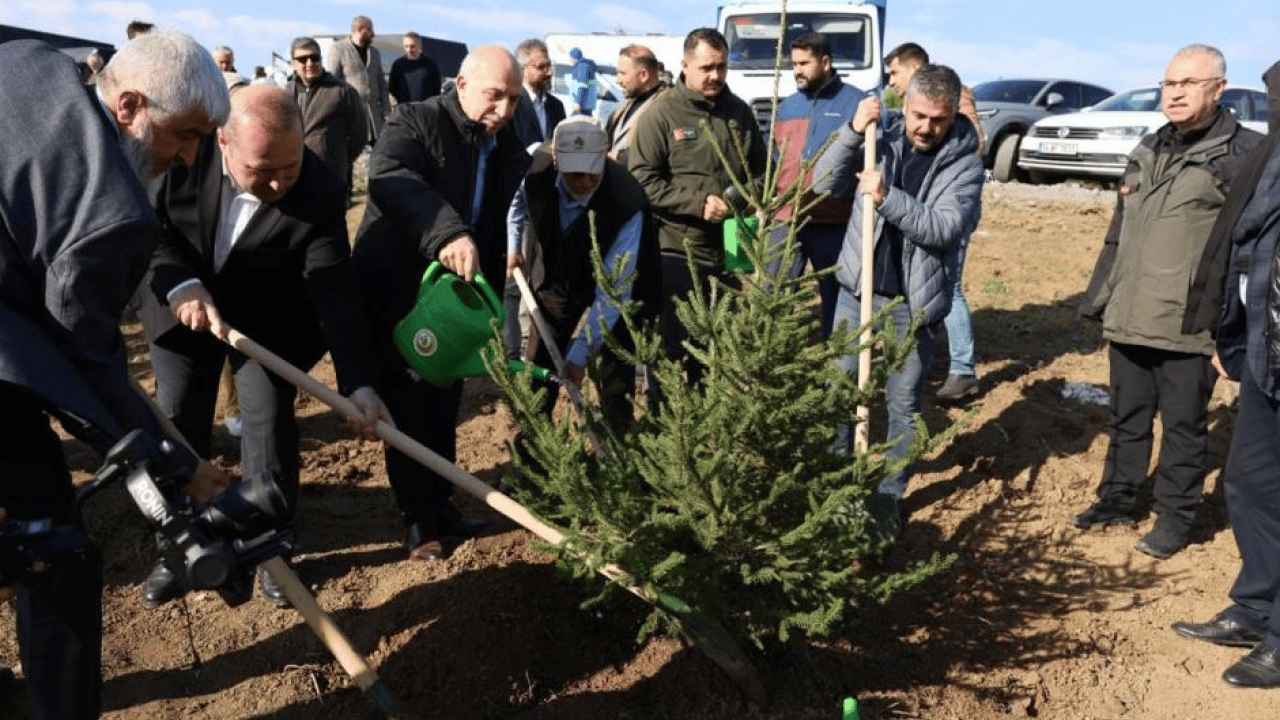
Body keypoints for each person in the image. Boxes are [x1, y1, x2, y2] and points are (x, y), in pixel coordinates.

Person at [0, 32, 230, 719]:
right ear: (129, 105)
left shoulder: (28, 61)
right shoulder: (113, 214)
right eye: (185, 135)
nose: (189, 156)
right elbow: (88, 372)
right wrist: (180, 468)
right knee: (52, 546)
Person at [136, 84, 390, 607]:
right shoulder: (180, 150)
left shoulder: (318, 189)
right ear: (223, 141)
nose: (277, 182)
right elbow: (147, 228)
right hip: (177, 301)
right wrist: (181, 283)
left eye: (289, 167)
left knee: (268, 421)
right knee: (178, 422)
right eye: (261, 169)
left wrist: (359, 383)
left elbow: (334, 291)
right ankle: (179, 549)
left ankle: (269, 546)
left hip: (268, 320)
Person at [1075, 44, 1263, 560]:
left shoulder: (1243, 157)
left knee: (1184, 428)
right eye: (1168, 83)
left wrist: (1234, 327)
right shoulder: (1151, 146)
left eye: (1188, 84)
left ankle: (1175, 519)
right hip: (1131, 314)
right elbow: (1121, 231)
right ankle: (1117, 498)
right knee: (1125, 418)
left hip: (1190, 322)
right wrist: (1100, 299)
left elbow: (1247, 249)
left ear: (1218, 89)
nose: (1174, 93)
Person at [352, 45, 528, 562]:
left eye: (514, 100)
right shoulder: (415, 121)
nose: (505, 110)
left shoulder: (502, 139)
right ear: (463, 84)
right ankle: (417, 521)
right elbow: (391, 179)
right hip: (404, 290)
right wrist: (445, 231)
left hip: (457, 297)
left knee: (444, 399)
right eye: (496, 96)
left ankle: (442, 504)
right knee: (409, 404)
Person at [814, 64, 984, 530]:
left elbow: (944, 227)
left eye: (938, 119)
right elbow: (822, 184)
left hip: (914, 303)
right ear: (903, 106)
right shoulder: (879, 138)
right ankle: (836, 483)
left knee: (903, 402)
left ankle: (888, 495)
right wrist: (852, 132)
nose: (926, 127)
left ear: (952, 116)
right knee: (837, 391)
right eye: (918, 115)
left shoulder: (965, 164)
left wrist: (888, 197)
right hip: (857, 290)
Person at [1173, 57, 1280, 689]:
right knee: (1249, 482)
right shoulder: (1270, 160)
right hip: (1268, 355)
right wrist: (1231, 333)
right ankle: (1257, 606)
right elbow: (1244, 248)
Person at [629, 27, 767, 388]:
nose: (715, 76)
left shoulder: (739, 113)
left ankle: (710, 427)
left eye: (721, 67)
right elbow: (642, 179)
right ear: (684, 66)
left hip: (735, 241)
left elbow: (761, 171)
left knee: (720, 347)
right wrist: (697, 203)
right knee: (672, 347)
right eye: (706, 67)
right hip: (678, 248)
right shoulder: (662, 116)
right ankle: (668, 428)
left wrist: (744, 199)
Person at [507, 116, 661, 428]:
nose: (587, 181)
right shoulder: (534, 171)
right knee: (541, 373)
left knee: (615, 373)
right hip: (559, 278)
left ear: (605, 156)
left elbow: (614, 292)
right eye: (576, 173)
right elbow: (516, 207)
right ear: (556, 158)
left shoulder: (627, 200)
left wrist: (579, 358)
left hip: (618, 283)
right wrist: (514, 247)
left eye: (594, 171)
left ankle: (617, 451)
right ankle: (532, 456)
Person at [884, 41, 987, 400]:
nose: (892, 81)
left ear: (914, 70)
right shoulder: (909, 108)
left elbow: (972, 149)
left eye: (895, 73)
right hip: (919, 213)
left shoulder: (957, 101)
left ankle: (962, 368)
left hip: (948, 215)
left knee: (949, 287)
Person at [769, 31, 864, 338]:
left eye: (804, 63)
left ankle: (834, 362)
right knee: (774, 293)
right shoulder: (788, 106)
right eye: (793, 63)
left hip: (832, 221)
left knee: (837, 298)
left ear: (825, 62)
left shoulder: (855, 103)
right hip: (786, 220)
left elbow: (869, 159)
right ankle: (773, 358)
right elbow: (775, 158)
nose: (797, 70)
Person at [287, 36, 368, 188]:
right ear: (293, 64)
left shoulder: (343, 92)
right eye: (303, 59)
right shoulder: (284, 95)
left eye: (314, 58)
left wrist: (338, 160)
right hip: (293, 176)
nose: (310, 63)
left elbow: (360, 135)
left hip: (330, 177)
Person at [325, 14, 389, 144]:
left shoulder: (374, 52)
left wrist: (385, 105)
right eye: (370, 30)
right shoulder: (338, 49)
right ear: (360, 29)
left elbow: (381, 81)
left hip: (374, 116)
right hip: (351, 113)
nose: (373, 34)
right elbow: (332, 80)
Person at [605, 44, 663, 167]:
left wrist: (621, 157)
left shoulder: (668, 107)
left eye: (623, 73)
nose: (617, 80)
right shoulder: (627, 105)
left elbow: (663, 151)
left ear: (643, 75)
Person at [511, 38, 566, 149]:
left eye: (549, 66)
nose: (549, 73)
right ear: (522, 69)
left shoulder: (557, 106)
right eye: (541, 67)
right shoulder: (511, 105)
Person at [389, 31, 442, 104]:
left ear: (419, 45)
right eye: (406, 46)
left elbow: (436, 91)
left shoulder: (431, 66)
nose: (409, 50)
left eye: (412, 46)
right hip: (404, 111)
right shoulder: (398, 65)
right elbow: (392, 89)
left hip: (424, 111)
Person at [567, 47, 598, 116]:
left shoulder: (582, 67)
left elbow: (582, 86)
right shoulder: (584, 65)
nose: (570, 59)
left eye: (570, 57)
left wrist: (578, 103)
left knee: (581, 124)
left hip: (583, 106)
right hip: (585, 105)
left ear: (574, 57)